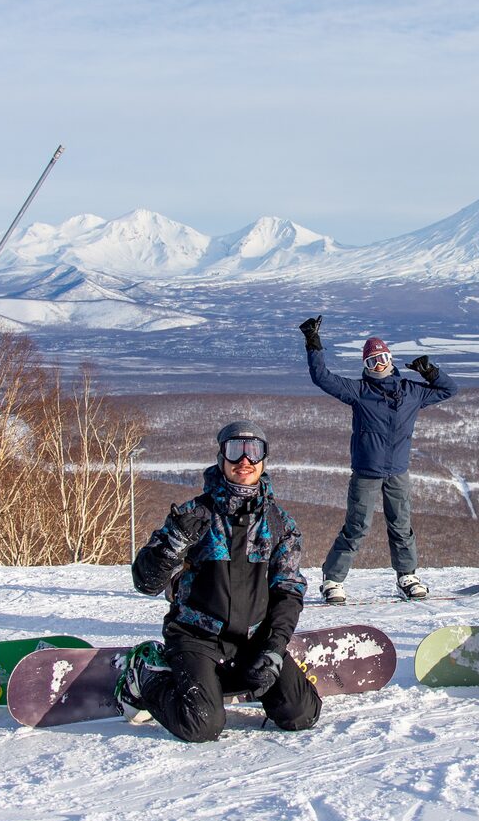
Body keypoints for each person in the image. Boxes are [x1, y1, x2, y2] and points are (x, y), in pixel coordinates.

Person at [115, 420, 319, 742]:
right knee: (202, 725)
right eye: (235, 450)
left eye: (254, 451)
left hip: (253, 639)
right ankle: (146, 674)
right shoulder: (195, 515)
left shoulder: (279, 523)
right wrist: (174, 542)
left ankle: (235, 681)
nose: (244, 461)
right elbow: (146, 582)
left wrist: (275, 648)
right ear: (221, 456)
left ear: (264, 459)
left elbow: (288, 590)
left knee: (302, 713)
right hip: (196, 636)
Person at [298, 315, 459, 603]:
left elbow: (449, 389)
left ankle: (407, 575)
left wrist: (430, 371)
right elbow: (322, 377)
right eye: (372, 361)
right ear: (366, 366)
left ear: (391, 358)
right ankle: (332, 580)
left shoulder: (411, 392)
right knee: (357, 526)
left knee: (401, 525)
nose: (379, 364)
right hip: (367, 472)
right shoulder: (359, 392)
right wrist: (313, 343)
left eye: (383, 357)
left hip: (397, 471)